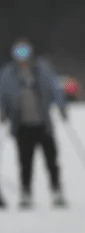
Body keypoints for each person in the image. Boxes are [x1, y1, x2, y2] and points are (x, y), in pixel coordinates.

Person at [0, 39, 68, 209]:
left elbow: (54, 88)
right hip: (22, 126)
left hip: (43, 124)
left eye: (25, 53)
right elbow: (3, 95)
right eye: (18, 53)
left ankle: (57, 191)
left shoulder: (42, 70)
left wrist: (61, 106)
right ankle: (26, 193)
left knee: (51, 160)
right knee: (25, 162)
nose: (22, 58)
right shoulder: (8, 74)